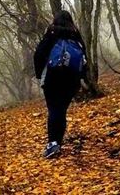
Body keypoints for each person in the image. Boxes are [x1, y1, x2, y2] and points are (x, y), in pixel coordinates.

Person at [33, 10, 87, 158]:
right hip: (72, 80)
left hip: (52, 77)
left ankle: (53, 144)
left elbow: (39, 54)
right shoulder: (75, 35)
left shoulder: (51, 32)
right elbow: (84, 58)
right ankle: (58, 142)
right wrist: (82, 76)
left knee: (53, 109)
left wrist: (39, 74)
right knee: (61, 110)